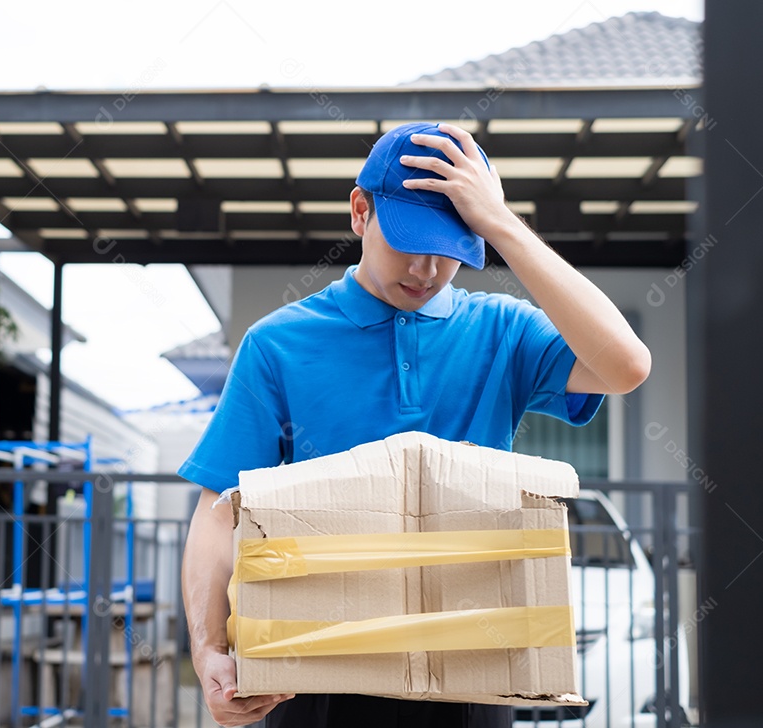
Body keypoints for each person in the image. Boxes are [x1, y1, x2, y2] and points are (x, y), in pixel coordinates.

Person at [179, 121, 651, 728]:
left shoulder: (503, 332)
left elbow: (626, 366)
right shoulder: (278, 343)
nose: (427, 269)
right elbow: (219, 510)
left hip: (474, 678)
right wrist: (208, 647)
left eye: (451, 248)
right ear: (359, 212)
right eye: (410, 240)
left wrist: (501, 223)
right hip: (314, 683)